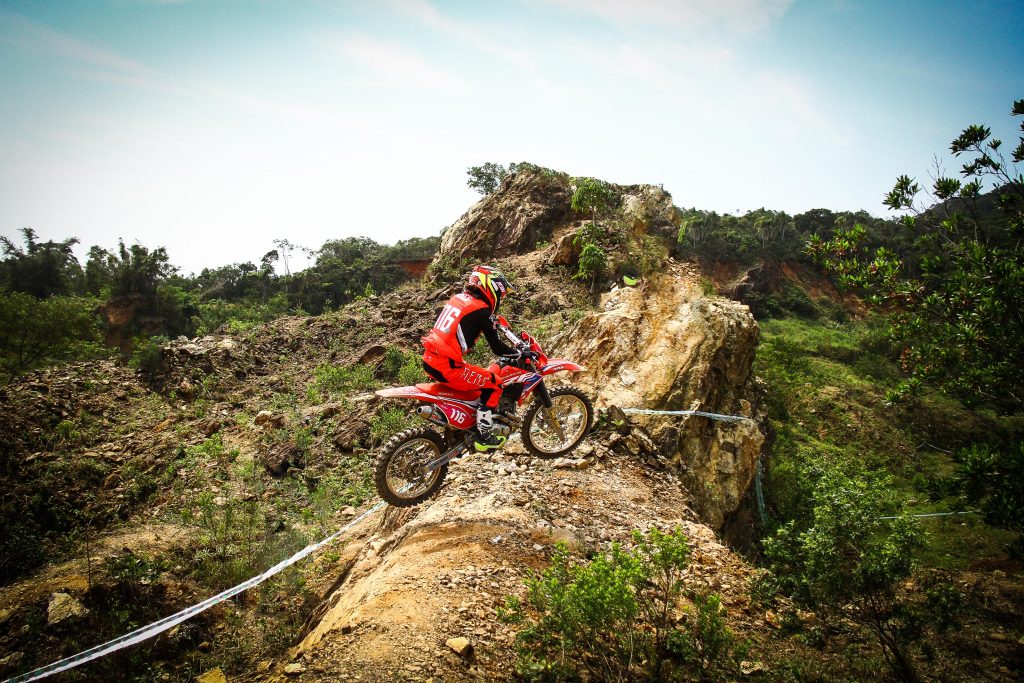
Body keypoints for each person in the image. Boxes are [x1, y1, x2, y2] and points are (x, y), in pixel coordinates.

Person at [421, 265, 518, 452]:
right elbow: (497, 347)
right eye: (501, 293)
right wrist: (518, 353)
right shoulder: (481, 310)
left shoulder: (458, 299)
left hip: (431, 359)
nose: (501, 298)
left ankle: (462, 427)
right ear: (492, 288)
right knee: (494, 382)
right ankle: (484, 433)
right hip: (448, 366)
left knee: (475, 379)